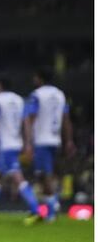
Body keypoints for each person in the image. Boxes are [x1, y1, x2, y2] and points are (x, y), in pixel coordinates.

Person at [0, 77, 41, 221]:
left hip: (7, 146)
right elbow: (26, 123)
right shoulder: (20, 100)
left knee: (17, 177)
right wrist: (28, 143)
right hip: (16, 143)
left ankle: (35, 210)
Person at [21, 67, 75, 224]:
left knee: (45, 175)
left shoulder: (36, 95)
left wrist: (28, 142)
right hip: (55, 139)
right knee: (41, 175)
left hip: (42, 140)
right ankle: (51, 207)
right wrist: (69, 140)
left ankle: (52, 210)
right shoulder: (60, 95)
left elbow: (30, 119)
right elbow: (66, 119)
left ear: (39, 78)